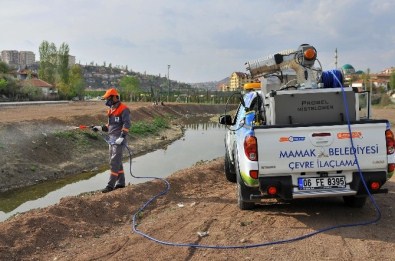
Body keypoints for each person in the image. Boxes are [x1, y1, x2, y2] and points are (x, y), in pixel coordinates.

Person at [91, 88, 131, 193]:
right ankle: (121, 183)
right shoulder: (111, 110)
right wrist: (99, 128)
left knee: (114, 162)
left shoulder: (124, 109)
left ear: (114, 97)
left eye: (108, 98)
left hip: (119, 139)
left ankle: (110, 186)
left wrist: (122, 136)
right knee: (117, 162)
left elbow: (127, 124)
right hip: (111, 139)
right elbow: (110, 126)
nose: (106, 101)